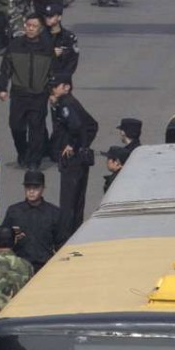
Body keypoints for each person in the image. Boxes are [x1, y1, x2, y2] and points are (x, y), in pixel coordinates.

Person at [0, 14, 53, 170]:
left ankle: (34, 160)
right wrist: (2, 88)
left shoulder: (47, 48)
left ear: (40, 29)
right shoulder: (15, 45)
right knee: (16, 126)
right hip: (19, 94)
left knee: (37, 128)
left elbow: (54, 71)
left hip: (39, 94)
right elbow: (5, 69)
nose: (30, 29)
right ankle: (23, 153)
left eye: (34, 26)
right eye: (28, 25)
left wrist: (53, 92)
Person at [48, 73, 98, 240]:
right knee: (77, 199)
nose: (53, 89)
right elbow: (91, 125)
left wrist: (73, 145)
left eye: (57, 86)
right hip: (79, 158)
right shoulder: (68, 103)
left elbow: (76, 127)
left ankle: (66, 237)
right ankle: (77, 232)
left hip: (72, 160)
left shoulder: (66, 104)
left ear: (66, 87)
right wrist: (84, 146)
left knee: (68, 200)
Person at [1, 171, 63, 272]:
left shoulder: (54, 213)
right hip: (18, 267)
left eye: (35, 188)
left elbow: (61, 243)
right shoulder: (14, 211)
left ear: (43, 188)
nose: (31, 191)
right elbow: (3, 240)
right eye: (28, 187)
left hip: (44, 267)